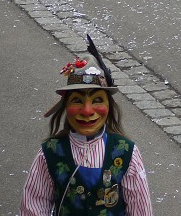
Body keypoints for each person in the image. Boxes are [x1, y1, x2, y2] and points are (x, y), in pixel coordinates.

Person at [20, 43, 153, 215]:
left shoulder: (126, 152)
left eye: (97, 100)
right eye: (77, 101)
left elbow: (140, 209)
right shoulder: (50, 153)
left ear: (109, 106)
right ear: (65, 106)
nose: (87, 111)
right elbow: (34, 205)